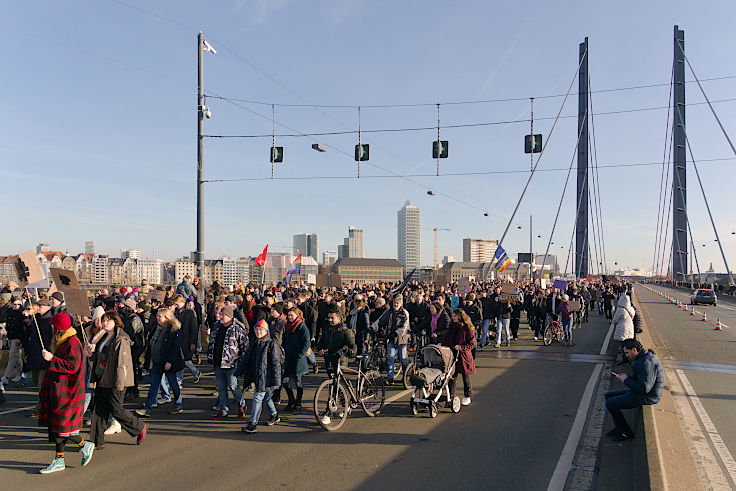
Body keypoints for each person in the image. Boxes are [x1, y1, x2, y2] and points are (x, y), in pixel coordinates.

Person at [37, 313, 94, 473]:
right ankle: (59, 459)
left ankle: (84, 445)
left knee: (63, 427)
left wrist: (52, 358)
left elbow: (73, 366)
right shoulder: (63, 340)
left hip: (69, 390)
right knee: (58, 427)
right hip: (59, 388)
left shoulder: (72, 342)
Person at [87, 312, 147, 449]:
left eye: (108, 320)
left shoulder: (120, 339)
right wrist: (91, 356)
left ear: (116, 322)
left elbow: (122, 364)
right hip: (102, 377)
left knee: (116, 409)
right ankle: (97, 441)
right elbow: (100, 356)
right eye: (104, 320)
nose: (105, 323)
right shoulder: (102, 337)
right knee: (99, 410)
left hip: (115, 380)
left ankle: (139, 427)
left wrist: (119, 384)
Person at [605, 338, 664, 441]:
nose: (626, 356)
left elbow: (644, 388)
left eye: (627, 353)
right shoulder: (644, 358)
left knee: (610, 403)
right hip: (643, 392)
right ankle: (619, 428)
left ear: (634, 350)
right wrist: (627, 377)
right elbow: (641, 381)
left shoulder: (645, 363)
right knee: (608, 396)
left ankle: (626, 432)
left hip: (648, 396)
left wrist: (626, 380)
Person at [135, 309, 184, 418]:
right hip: (157, 361)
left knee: (173, 383)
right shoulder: (156, 328)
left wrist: (169, 361)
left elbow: (175, 347)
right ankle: (148, 408)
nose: (157, 318)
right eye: (157, 316)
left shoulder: (173, 329)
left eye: (160, 316)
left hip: (167, 362)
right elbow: (151, 345)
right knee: (154, 384)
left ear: (167, 318)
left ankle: (178, 403)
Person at [241, 320, 281, 434]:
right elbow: (247, 359)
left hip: (265, 377)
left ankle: (253, 423)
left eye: (261, 330)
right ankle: (274, 415)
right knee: (265, 397)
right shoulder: (254, 343)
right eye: (257, 329)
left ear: (266, 331)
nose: (258, 332)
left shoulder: (271, 345)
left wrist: (276, 381)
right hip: (257, 376)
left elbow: (276, 364)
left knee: (258, 398)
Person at [208, 305, 248, 420]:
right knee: (221, 388)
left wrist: (242, 363)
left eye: (222, 315)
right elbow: (212, 343)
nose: (220, 316)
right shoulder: (217, 326)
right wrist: (210, 358)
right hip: (218, 362)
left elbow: (244, 346)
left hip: (232, 363)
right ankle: (223, 410)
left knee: (233, 386)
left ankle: (242, 405)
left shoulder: (238, 328)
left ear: (229, 316)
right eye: (220, 314)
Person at [370, 295, 410, 384]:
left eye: (397, 303)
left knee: (403, 359)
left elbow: (404, 327)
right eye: (394, 303)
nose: (395, 304)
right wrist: (372, 328)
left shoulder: (404, 313)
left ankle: (406, 376)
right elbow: (380, 321)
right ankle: (390, 377)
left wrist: (396, 333)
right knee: (390, 358)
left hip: (401, 340)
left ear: (401, 304)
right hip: (391, 339)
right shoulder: (389, 312)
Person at [443, 308, 476, 406]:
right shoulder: (452, 326)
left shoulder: (467, 328)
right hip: (452, 354)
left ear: (460, 316)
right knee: (452, 376)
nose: (453, 318)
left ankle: (467, 396)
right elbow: (447, 337)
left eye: (455, 316)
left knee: (465, 376)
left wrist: (461, 347)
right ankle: (451, 396)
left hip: (463, 355)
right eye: (453, 316)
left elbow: (472, 343)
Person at [282, 307, 310, 411]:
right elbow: (285, 339)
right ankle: (291, 399)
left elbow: (307, 342)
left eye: (291, 315)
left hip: (298, 358)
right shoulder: (287, 326)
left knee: (298, 381)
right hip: (289, 356)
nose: (289, 317)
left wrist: (301, 354)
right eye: (288, 315)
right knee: (284, 380)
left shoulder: (301, 326)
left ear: (297, 316)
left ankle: (298, 402)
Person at [318, 305, 357, 375]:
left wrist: (346, 352)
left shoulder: (345, 331)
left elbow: (353, 347)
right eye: (329, 318)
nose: (330, 320)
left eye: (332, 318)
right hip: (329, 360)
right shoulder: (327, 329)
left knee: (339, 381)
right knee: (332, 381)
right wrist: (320, 349)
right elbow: (321, 343)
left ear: (339, 319)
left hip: (340, 361)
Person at [612, 293, 635, 364]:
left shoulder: (620, 309)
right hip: (630, 328)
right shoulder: (631, 309)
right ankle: (629, 359)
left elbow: (615, 320)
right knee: (628, 345)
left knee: (623, 346)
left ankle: (624, 360)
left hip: (622, 329)